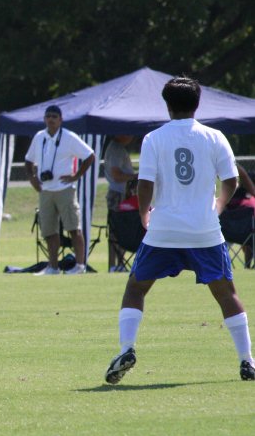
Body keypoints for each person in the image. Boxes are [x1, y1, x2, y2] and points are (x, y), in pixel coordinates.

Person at [104, 76, 254, 384]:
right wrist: (219, 206)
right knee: (227, 294)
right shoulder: (214, 137)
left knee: (136, 288)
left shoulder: (154, 138)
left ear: (167, 105)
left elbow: (145, 184)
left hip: (164, 229)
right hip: (204, 229)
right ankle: (246, 361)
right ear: (198, 104)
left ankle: (126, 348)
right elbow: (231, 180)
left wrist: (145, 214)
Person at [24, 105, 96, 274]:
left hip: (65, 189)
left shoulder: (69, 137)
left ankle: (79, 266)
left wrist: (76, 176)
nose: (50, 119)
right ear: (44, 119)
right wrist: (32, 178)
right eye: (48, 116)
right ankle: (53, 267)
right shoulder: (39, 137)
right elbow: (28, 160)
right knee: (49, 231)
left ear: (60, 120)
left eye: (54, 116)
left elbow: (90, 156)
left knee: (73, 228)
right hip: (45, 190)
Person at [103, 135, 137, 272]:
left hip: (122, 193)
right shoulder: (116, 149)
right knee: (117, 230)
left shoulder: (119, 149)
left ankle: (118, 264)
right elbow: (116, 175)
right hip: (118, 195)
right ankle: (114, 264)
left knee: (121, 230)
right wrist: (135, 177)